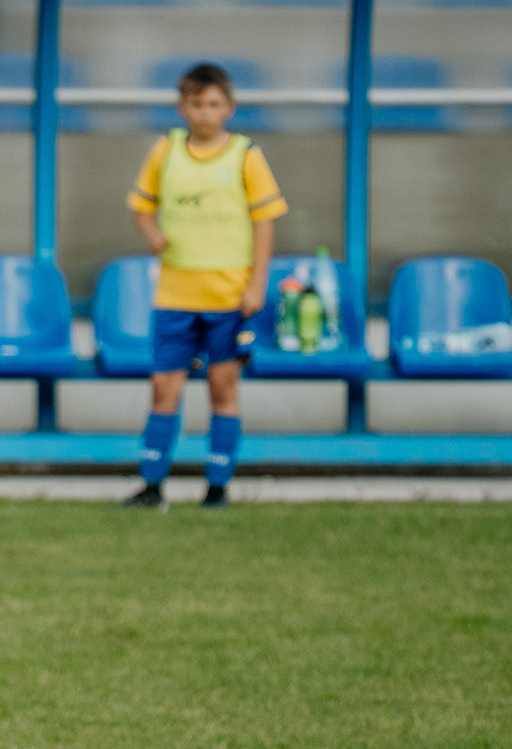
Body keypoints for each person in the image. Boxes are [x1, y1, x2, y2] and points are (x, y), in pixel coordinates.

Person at [122, 62, 287, 510]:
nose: (205, 112)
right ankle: (152, 485)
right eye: (196, 104)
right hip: (175, 293)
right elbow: (141, 205)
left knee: (222, 386)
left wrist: (257, 283)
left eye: (214, 104)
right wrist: (150, 233)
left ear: (229, 108)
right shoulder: (166, 150)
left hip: (228, 295)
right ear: (182, 108)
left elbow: (265, 222)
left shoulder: (245, 155)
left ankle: (217, 487)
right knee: (164, 387)